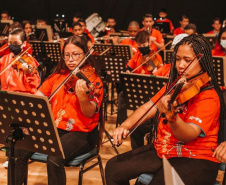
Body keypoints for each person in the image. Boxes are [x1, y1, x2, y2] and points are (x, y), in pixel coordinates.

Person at [105, 34, 225, 185]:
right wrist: (125, 126)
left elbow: (189, 134)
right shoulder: (176, 84)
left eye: (187, 60)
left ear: (202, 60)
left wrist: (172, 118)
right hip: (165, 149)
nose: (180, 65)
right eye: (178, 59)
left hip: (197, 158)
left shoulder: (209, 96)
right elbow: (148, 107)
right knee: (113, 168)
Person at [13, 35, 103, 185]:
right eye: (66, 55)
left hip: (82, 133)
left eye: (75, 54)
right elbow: (38, 97)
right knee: (18, 149)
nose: (70, 59)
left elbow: (89, 112)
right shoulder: (58, 75)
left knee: (54, 158)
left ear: (85, 54)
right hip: (55, 128)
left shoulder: (93, 80)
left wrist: (82, 97)